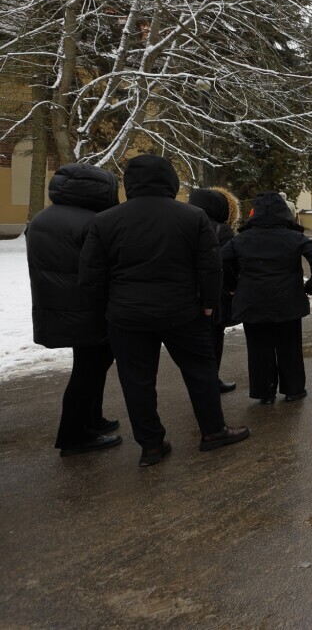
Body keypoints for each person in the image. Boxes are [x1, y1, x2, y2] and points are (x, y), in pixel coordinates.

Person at [79, 154, 249, 467]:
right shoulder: (192, 216)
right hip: (182, 310)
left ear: (130, 183)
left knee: (137, 381)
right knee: (200, 372)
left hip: (126, 315)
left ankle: (151, 445)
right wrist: (209, 304)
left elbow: (91, 275)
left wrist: (103, 311)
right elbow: (210, 266)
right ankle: (213, 431)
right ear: (170, 180)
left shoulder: (104, 221)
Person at [26, 163, 122, 457]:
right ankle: (75, 436)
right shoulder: (93, 222)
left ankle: (92, 420)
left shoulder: (42, 218)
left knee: (88, 366)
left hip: (56, 305)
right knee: (88, 371)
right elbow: (105, 266)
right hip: (90, 308)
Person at [223, 192, 312, 403]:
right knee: (290, 347)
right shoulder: (294, 237)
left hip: (252, 301)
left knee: (258, 349)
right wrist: (311, 285)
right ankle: (294, 389)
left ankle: (264, 392)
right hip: (287, 301)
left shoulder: (241, 239)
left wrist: (233, 285)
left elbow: (221, 261)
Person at [189, 186, 240, 394]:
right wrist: (232, 287)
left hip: (186, 291)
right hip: (213, 293)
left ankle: (198, 381)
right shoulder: (221, 229)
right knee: (213, 338)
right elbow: (227, 263)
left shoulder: (183, 223)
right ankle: (211, 381)